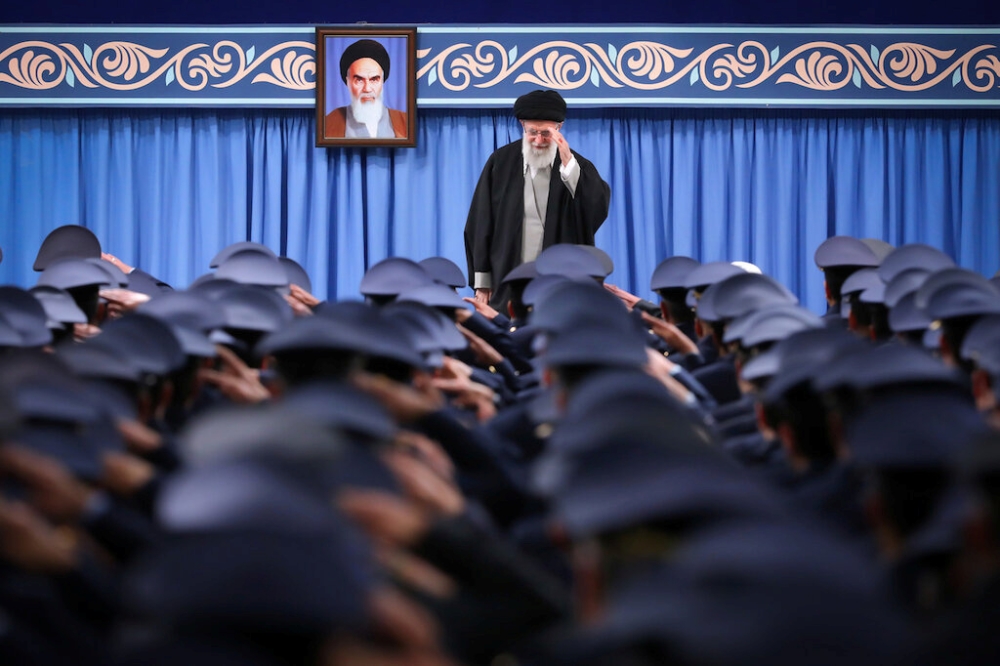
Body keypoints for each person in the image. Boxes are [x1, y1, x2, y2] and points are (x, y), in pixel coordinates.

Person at [463, 90, 611, 308]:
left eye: (546, 133)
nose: (539, 140)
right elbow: (480, 223)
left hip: (560, 283)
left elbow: (595, 210)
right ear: (522, 125)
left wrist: (570, 167)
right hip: (507, 278)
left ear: (559, 128)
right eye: (533, 132)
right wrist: (482, 283)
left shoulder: (577, 166)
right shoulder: (500, 163)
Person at [324, 39, 407, 140]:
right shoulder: (329, 123)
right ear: (348, 82)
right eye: (359, 80)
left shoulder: (405, 122)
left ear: (382, 81)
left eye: (374, 80)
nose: (367, 89)